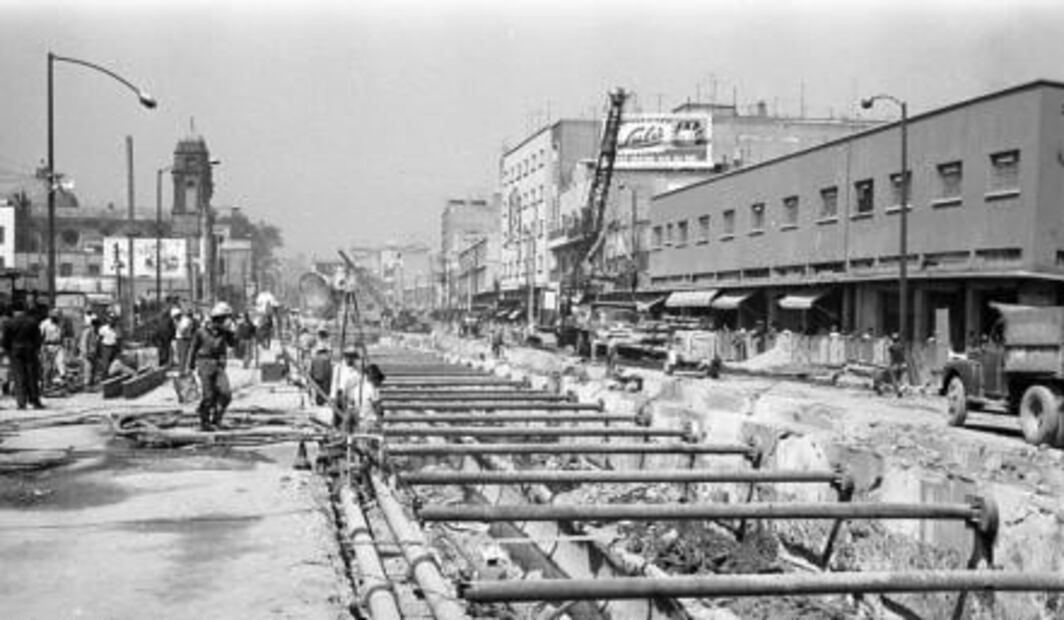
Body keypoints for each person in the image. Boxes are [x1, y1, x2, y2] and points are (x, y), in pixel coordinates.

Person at [186, 302, 237, 431]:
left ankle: (217, 418)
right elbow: (193, 348)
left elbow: (233, 344)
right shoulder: (201, 332)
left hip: (219, 365)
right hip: (204, 364)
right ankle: (204, 420)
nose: (227, 321)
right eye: (225, 318)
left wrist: (232, 331)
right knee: (208, 396)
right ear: (217, 319)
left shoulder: (224, 332)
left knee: (225, 394)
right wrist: (190, 366)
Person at [2, 303, 44, 409]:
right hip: (30, 350)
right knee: (32, 375)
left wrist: (8, 350)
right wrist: (36, 348)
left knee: (19, 376)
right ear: (24, 310)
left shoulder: (9, 323)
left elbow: (5, 340)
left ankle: (21, 402)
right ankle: (35, 401)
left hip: (15, 351)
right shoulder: (33, 322)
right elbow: (38, 338)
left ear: (14, 311)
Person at [330, 346, 363, 429]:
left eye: (352, 357)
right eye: (348, 356)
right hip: (340, 395)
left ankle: (348, 432)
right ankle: (337, 430)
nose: (350, 359)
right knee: (337, 417)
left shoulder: (357, 371)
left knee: (349, 418)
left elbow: (358, 385)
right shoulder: (339, 367)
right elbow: (335, 382)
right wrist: (333, 396)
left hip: (351, 397)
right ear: (345, 357)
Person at [39, 308, 65, 387]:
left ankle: (61, 379)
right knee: (48, 366)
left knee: (60, 362)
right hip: (47, 346)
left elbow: (62, 335)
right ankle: (46, 383)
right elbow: (40, 336)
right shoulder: (44, 324)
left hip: (58, 345)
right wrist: (42, 347)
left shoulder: (60, 323)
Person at [78, 317, 100, 389]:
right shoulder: (87, 331)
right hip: (87, 354)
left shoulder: (96, 332)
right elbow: (83, 343)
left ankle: (91, 383)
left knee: (94, 368)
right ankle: (86, 383)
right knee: (88, 368)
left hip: (93, 353)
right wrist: (85, 352)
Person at [308, 341, 333, 406]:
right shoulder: (327, 359)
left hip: (316, 377)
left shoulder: (314, 358)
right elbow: (328, 371)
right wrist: (330, 378)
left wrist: (311, 377)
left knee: (317, 389)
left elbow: (311, 369)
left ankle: (318, 401)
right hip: (324, 378)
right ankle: (321, 401)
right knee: (324, 390)